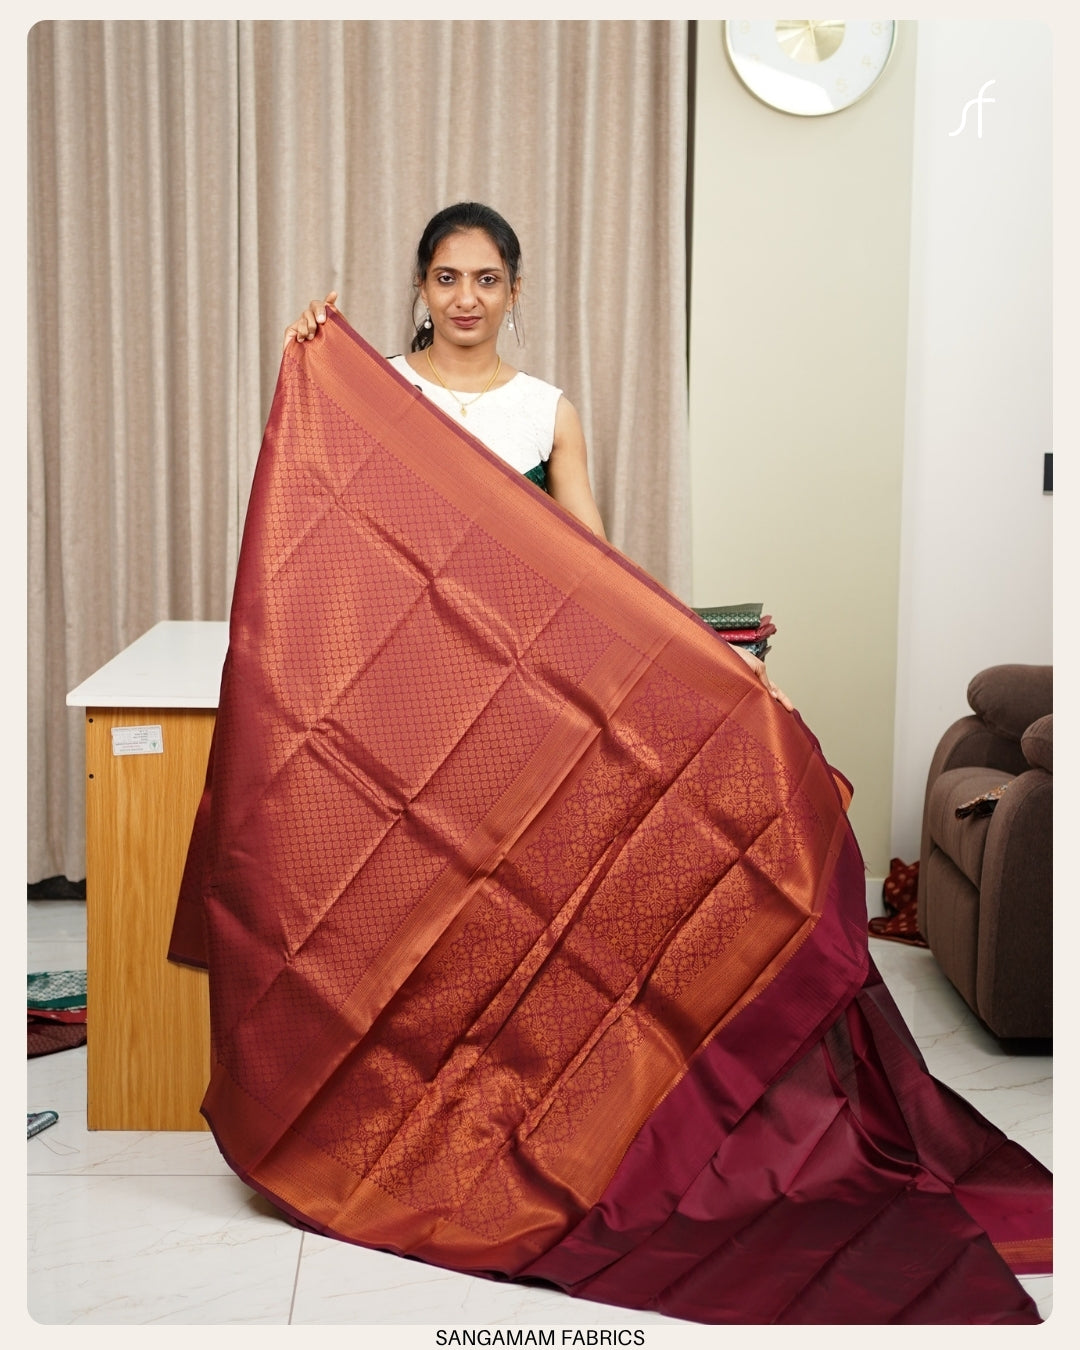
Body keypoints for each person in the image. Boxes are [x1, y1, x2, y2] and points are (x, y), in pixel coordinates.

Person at [284, 201, 793, 710]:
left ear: (513, 292)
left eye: (487, 280)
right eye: (447, 278)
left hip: (509, 679)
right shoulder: (375, 387)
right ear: (422, 285)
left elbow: (598, 569)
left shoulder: (547, 412)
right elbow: (312, 512)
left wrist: (714, 652)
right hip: (389, 665)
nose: (466, 298)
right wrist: (306, 354)